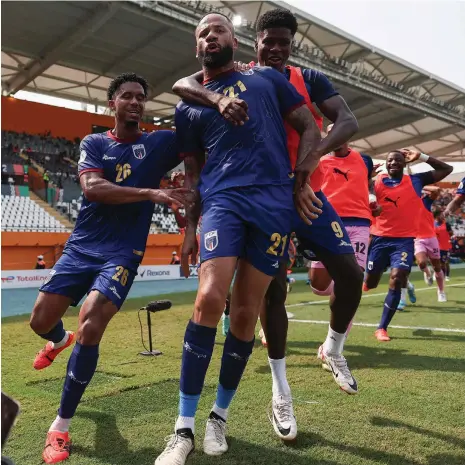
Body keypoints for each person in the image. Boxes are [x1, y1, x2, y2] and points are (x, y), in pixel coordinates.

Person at [171, 8, 361, 438]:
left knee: (350, 274)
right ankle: (280, 393)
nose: (275, 48)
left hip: (301, 189)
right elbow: (185, 84)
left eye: (283, 43)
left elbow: (346, 120)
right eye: (268, 42)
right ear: (252, 43)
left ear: (292, 46)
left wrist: (306, 168)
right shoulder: (240, 75)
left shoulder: (303, 79)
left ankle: (333, 348)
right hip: (256, 196)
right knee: (269, 297)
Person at [155, 12, 323, 465]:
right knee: (211, 298)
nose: (211, 35)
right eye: (203, 33)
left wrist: (302, 178)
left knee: (247, 313)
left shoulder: (267, 79)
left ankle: (219, 418)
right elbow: (191, 172)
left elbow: (309, 126)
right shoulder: (189, 105)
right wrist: (190, 228)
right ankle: (183, 429)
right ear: (198, 48)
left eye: (219, 29)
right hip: (223, 202)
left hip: (272, 205)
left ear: (235, 39)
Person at [29, 73, 193, 464]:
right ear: (112, 105)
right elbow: (92, 188)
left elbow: (198, 139)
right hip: (82, 246)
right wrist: (153, 191)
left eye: (141, 96)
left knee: (91, 324)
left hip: (123, 251)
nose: (135, 102)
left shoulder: (159, 143)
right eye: (127, 96)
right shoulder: (95, 142)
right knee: (39, 320)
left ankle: (60, 428)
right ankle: (57, 340)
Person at [364, 149, 452, 342]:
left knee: (397, 277)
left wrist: (421, 156)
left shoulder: (416, 180)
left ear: (404, 163)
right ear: (386, 164)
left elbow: (447, 168)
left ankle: (382, 328)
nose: (393, 162)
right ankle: (407, 286)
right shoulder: (376, 182)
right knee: (370, 283)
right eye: (390, 160)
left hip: (403, 240)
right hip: (379, 239)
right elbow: (362, 190)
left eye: (397, 160)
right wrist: (368, 186)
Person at [311, 123, 380, 354]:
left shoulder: (365, 160)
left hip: (359, 223)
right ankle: (342, 289)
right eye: (331, 133)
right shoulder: (318, 159)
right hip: (328, 222)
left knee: (352, 282)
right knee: (318, 284)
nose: (336, 136)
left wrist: (371, 198)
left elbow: (364, 183)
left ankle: (333, 346)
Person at [414, 187, 446, 302]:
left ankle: (441, 291)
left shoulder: (425, 201)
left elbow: (437, 190)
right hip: (418, 239)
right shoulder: (405, 203)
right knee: (422, 263)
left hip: (431, 238)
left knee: (437, 267)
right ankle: (427, 273)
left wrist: (420, 185)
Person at [434, 210, 453, 282]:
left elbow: (451, 233)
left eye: (443, 214)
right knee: (436, 261)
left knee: (444, 262)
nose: (443, 216)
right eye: (441, 214)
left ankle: (446, 276)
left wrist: (450, 237)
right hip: (436, 246)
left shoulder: (446, 224)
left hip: (445, 246)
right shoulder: (433, 224)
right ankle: (437, 273)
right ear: (437, 216)